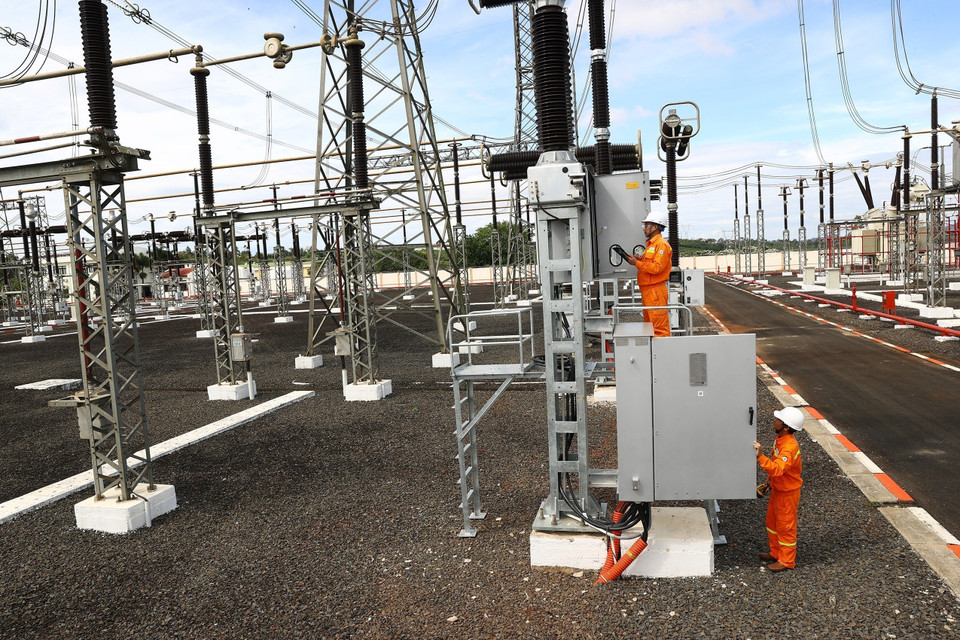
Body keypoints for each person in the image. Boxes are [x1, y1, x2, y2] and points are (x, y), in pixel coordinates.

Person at [754, 406, 804, 572]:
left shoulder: (789, 448)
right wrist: (768, 483)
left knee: (785, 527)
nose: (774, 420)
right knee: (772, 523)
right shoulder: (780, 439)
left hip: (787, 495)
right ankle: (776, 552)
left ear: (786, 427)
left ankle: (787, 561)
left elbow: (777, 469)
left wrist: (760, 456)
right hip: (778, 490)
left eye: (778, 419)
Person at [625, 210, 672, 337]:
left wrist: (637, 263)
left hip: (655, 291)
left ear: (655, 226)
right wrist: (639, 260)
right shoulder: (652, 245)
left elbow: (657, 268)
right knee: (649, 327)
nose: (644, 228)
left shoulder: (661, 245)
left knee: (659, 329)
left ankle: (662, 349)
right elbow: (650, 264)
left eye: (646, 225)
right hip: (649, 291)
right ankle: (653, 349)